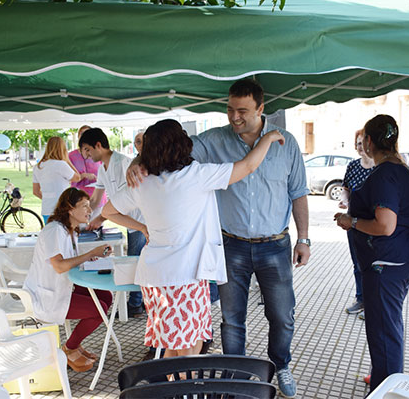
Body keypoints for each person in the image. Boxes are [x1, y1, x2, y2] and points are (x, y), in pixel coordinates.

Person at [127, 78, 310, 398]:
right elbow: (166, 150)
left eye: (243, 111)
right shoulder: (213, 140)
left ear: (261, 109)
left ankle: (281, 365)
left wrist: (304, 238)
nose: (234, 117)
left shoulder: (288, 143)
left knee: (282, 316)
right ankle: (235, 379)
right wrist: (136, 162)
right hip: (232, 245)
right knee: (231, 319)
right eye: (230, 109)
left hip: (275, 245)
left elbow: (299, 193)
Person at [103, 119, 285, 359]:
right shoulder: (197, 175)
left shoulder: (142, 183)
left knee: (171, 344)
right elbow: (248, 166)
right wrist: (268, 138)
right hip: (186, 276)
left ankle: (172, 383)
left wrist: (142, 228)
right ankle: (183, 383)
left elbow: (107, 211)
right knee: (190, 347)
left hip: (154, 278)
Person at [334, 115, 409, 391]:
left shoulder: (384, 174)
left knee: (383, 332)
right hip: (400, 257)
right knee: (389, 324)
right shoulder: (403, 169)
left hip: (386, 263)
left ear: (369, 141)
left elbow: (385, 226)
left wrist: (352, 221)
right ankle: (384, 379)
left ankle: (384, 390)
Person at [23, 187, 113, 372]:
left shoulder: (70, 231)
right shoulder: (54, 231)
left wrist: (92, 257)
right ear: (70, 209)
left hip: (64, 287)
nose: (90, 210)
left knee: (106, 296)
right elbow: (59, 266)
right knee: (99, 310)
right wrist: (90, 254)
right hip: (47, 296)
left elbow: (69, 262)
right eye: (85, 206)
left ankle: (75, 346)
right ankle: (69, 348)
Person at [79, 128, 147, 318]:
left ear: (98, 145)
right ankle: (137, 302)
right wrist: (83, 217)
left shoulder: (124, 163)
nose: (86, 155)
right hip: (128, 222)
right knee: (135, 259)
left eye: (87, 150)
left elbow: (129, 198)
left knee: (136, 260)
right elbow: (95, 200)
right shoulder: (102, 169)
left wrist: (102, 217)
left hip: (140, 220)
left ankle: (135, 304)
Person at [340, 130, 375, 320]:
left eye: (364, 143)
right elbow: (345, 188)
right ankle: (361, 299)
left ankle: (373, 305)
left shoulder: (380, 167)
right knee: (358, 263)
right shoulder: (353, 166)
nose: (361, 147)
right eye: (358, 143)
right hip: (353, 222)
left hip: (374, 224)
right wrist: (344, 200)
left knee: (373, 265)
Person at [32, 136, 80, 223]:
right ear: (62, 149)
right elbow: (78, 177)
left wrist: (48, 198)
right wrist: (68, 160)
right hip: (62, 209)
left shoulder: (38, 167)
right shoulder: (61, 164)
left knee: (50, 231)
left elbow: (36, 191)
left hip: (46, 209)